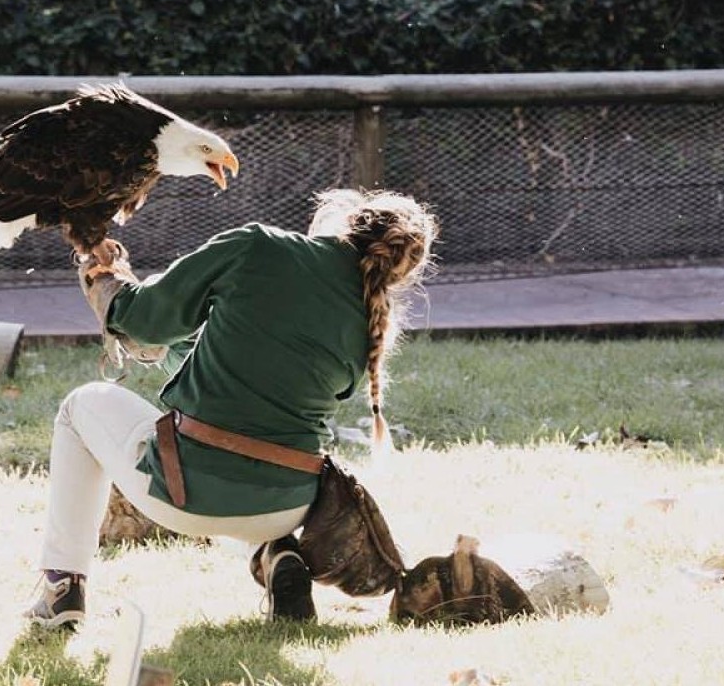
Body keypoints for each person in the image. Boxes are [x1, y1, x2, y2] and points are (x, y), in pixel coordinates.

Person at [24, 188, 438, 629]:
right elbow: (256, 379)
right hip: (290, 507)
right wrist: (173, 348)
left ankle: (61, 588)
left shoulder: (258, 245)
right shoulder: (371, 321)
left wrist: (109, 280)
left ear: (349, 218)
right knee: (241, 495)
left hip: (187, 494)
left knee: (80, 406)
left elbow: (143, 319)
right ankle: (275, 552)